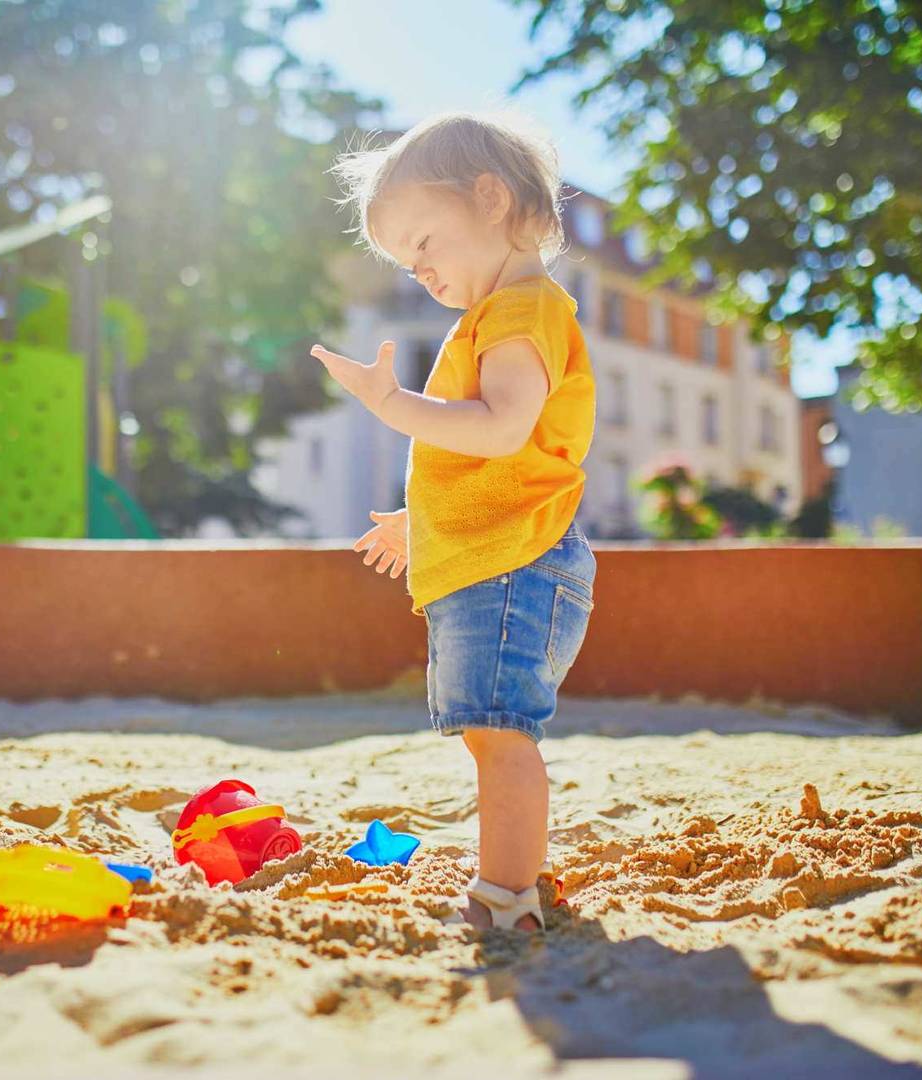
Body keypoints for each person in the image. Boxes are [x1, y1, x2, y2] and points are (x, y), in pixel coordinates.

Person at [310, 111, 598, 932]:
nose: (421, 271)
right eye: (408, 261)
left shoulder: (519, 310)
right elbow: (497, 459)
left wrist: (394, 404)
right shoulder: (496, 316)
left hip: (517, 567)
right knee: (490, 732)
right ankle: (522, 876)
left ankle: (507, 898)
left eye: (425, 242)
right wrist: (423, 518)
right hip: (501, 558)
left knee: (500, 733)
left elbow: (504, 426)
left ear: (491, 198)